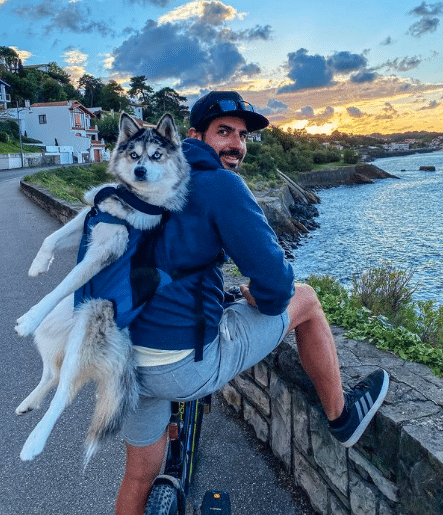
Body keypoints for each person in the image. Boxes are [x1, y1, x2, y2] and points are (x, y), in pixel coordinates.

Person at [115, 91, 389, 515]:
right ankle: (343, 418)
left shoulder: (141, 181)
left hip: (125, 360)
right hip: (180, 365)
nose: (236, 145)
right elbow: (278, 286)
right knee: (308, 300)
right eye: (224, 132)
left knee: (137, 476)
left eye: (242, 136)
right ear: (193, 135)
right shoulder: (220, 184)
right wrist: (257, 295)